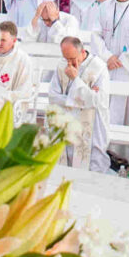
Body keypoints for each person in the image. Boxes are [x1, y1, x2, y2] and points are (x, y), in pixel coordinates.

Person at [43, 33, 112, 172]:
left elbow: (97, 100)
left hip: (92, 124)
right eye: (66, 58)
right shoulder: (62, 65)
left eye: (72, 59)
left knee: (92, 164)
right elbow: (53, 96)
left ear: (82, 52)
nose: (69, 63)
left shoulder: (99, 68)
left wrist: (76, 80)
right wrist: (82, 97)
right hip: (66, 122)